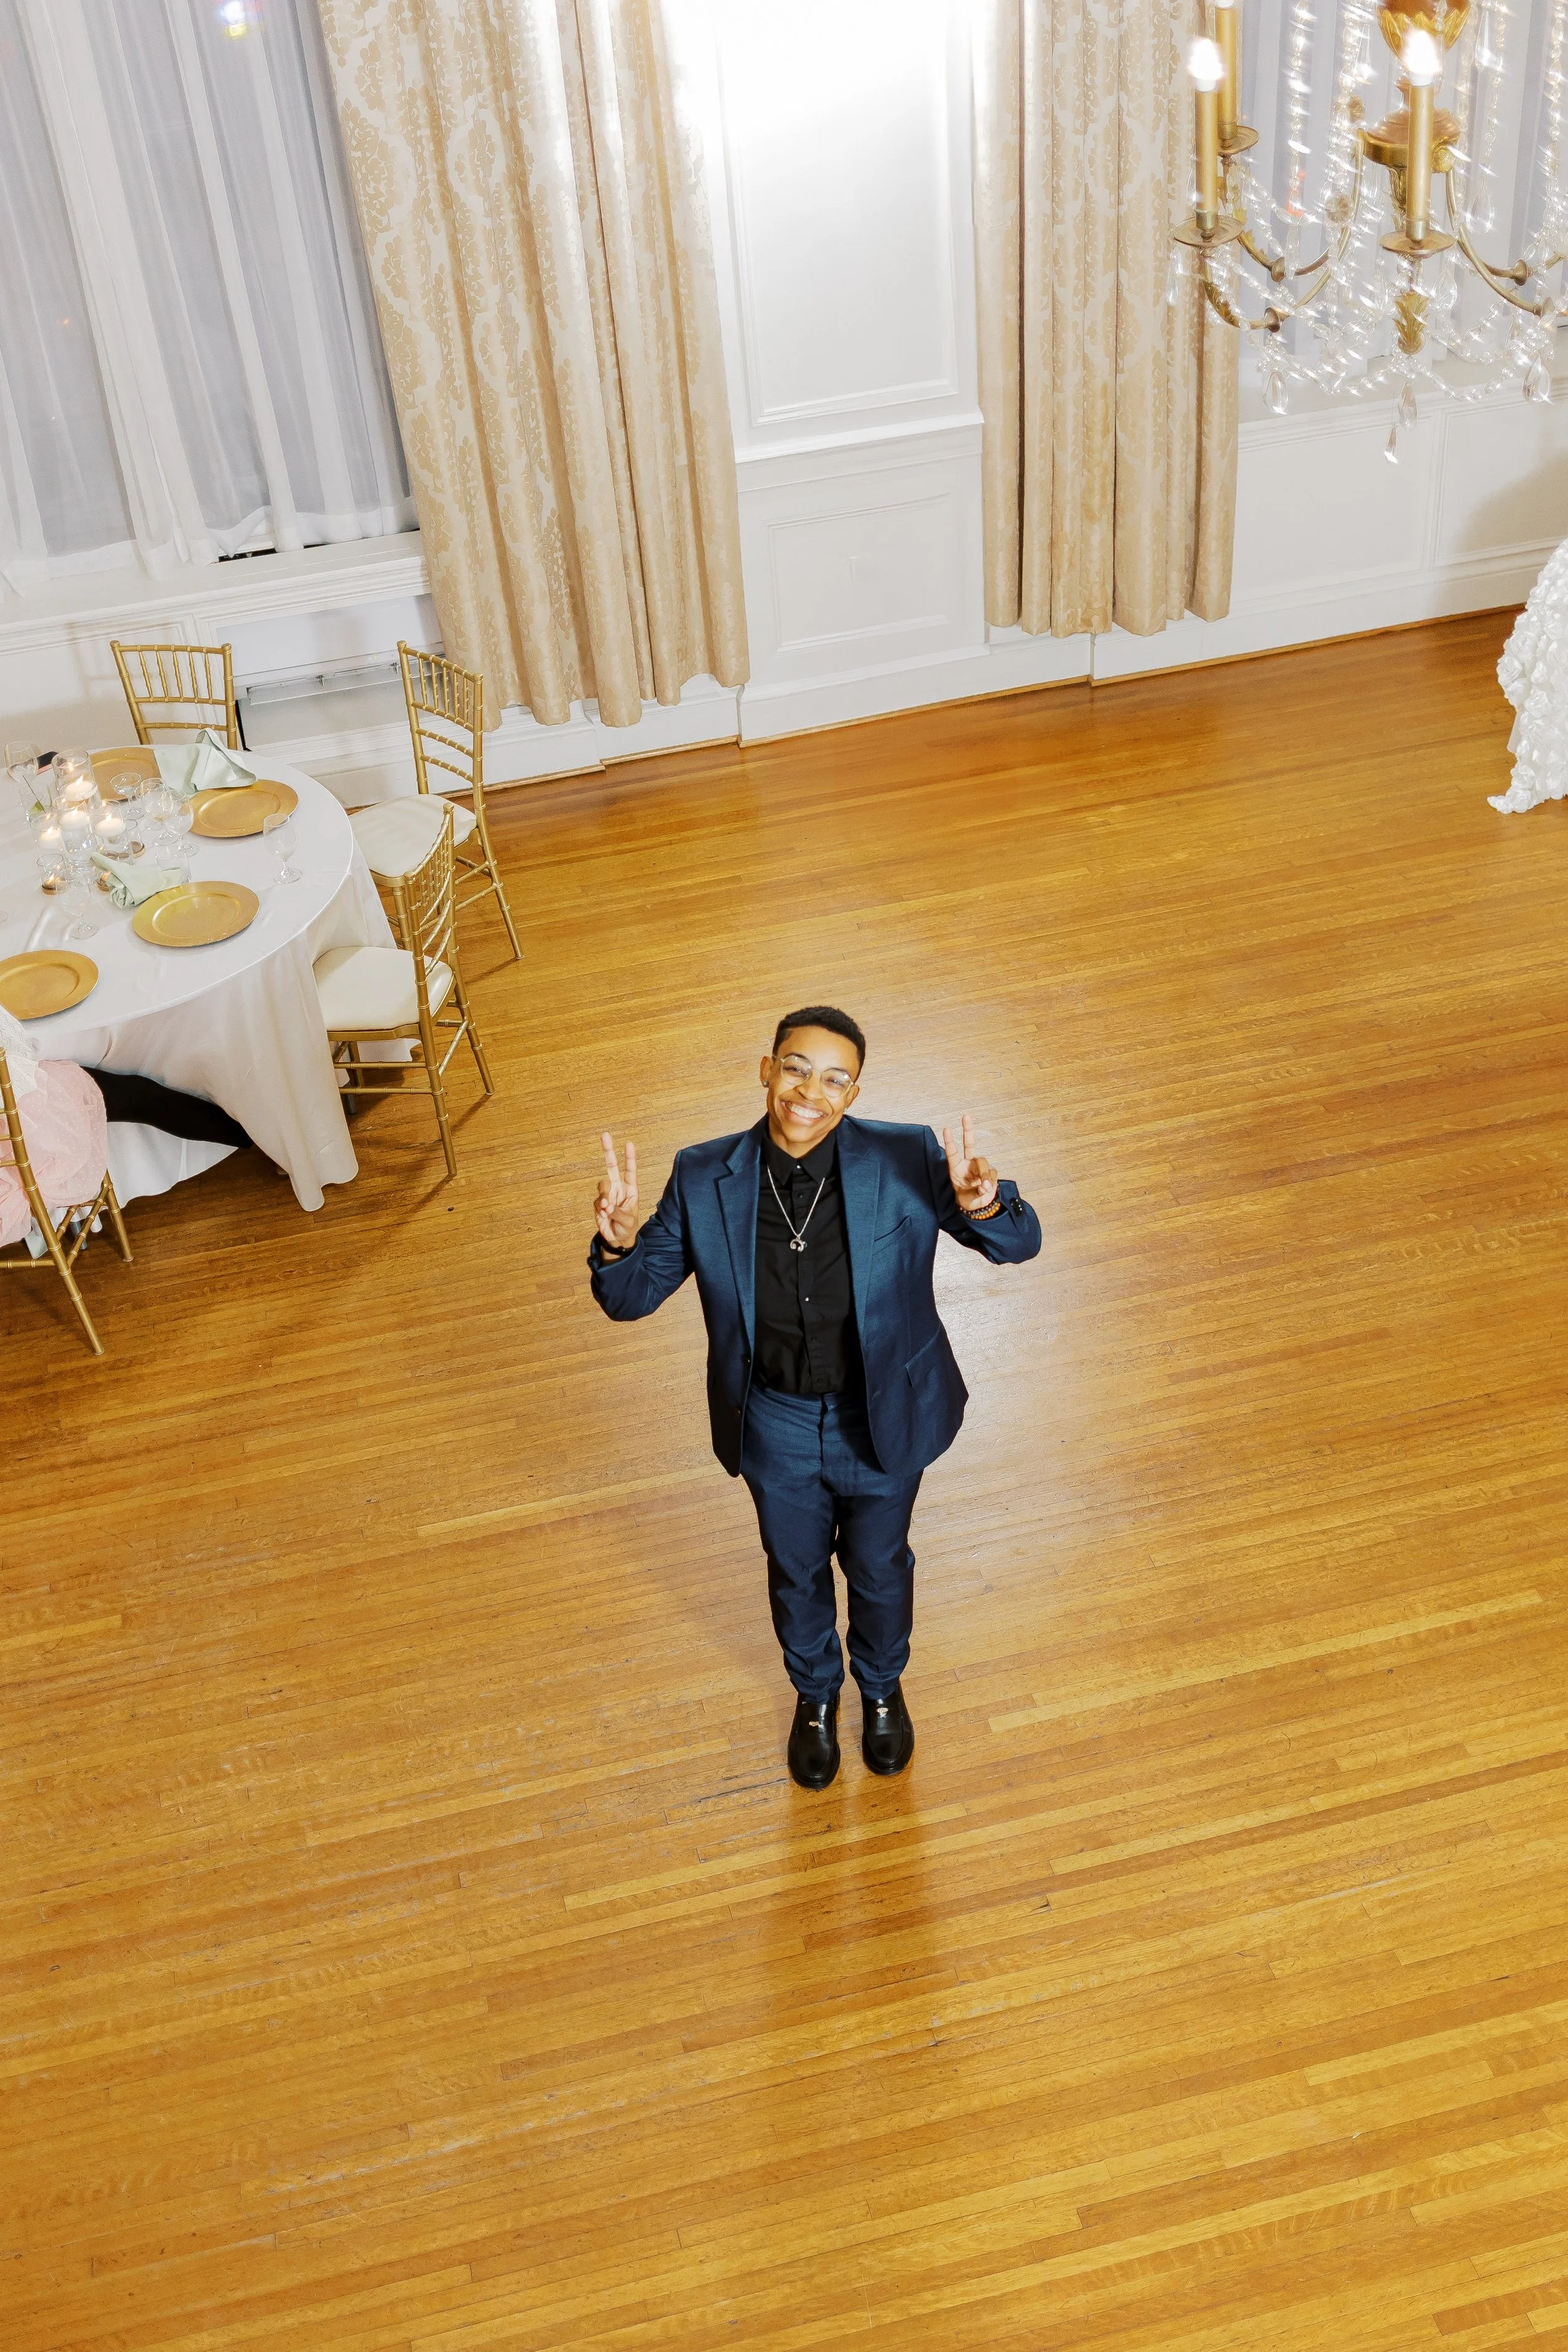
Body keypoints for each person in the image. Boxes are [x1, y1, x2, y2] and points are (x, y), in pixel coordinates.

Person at [588, 1006, 1041, 1789]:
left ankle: (880, 1689)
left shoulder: (905, 1155)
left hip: (883, 1413)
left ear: (853, 1093)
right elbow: (629, 1298)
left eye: (835, 1079)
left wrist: (983, 1208)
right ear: (765, 1069)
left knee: (877, 1566)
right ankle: (814, 1697)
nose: (810, 1092)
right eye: (796, 1068)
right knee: (794, 1570)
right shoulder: (704, 1174)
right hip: (774, 1420)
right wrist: (619, 1241)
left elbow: (1017, 1246)